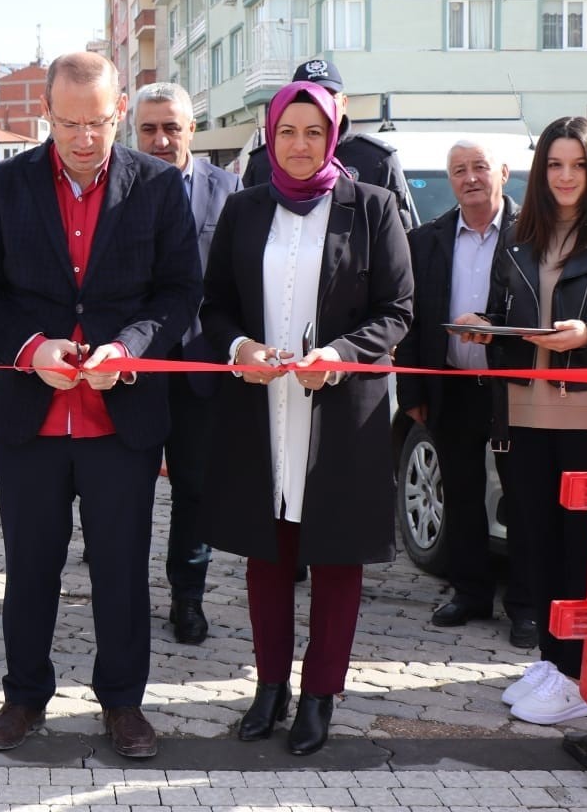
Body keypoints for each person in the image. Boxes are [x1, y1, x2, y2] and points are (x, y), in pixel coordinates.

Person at [0, 52, 201, 760]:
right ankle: (23, 696)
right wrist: (29, 346)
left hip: (120, 418)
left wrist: (128, 346)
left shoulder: (157, 185)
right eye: (69, 123)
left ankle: (123, 703)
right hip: (30, 417)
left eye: (97, 122)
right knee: (31, 564)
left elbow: (181, 292)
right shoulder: (3, 187)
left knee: (121, 570)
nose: (84, 137)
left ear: (118, 112)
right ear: (48, 116)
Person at [201, 80, 412, 757]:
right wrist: (239, 347)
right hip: (261, 404)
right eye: (287, 132)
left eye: (313, 132)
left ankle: (320, 695)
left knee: (335, 557)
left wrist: (340, 354)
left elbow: (398, 309)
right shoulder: (243, 209)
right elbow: (216, 305)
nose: (299, 145)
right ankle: (270, 688)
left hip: (341, 409)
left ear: (333, 136)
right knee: (268, 555)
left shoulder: (372, 207)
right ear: (269, 136)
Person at [455, 116, 587, 725]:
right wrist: (484, 327)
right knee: (532, 541)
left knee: (578, 547)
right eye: (555, 165)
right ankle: (550, 657)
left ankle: (575, 673)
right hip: (520, 412)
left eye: (578, 165)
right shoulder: (519, 237)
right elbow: (509, 315)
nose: (566, 176)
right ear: (541, 171)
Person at [396, 139, 535, 648]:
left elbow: (535, 313)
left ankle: (525, 606)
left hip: (513, 392)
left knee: (522, 500)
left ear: (502, 171)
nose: (470, 178)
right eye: (459, 170)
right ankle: (470, 592)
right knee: (459, 495)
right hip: (450, 388)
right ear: (449, 179)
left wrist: (494, 326)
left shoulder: (533, 236)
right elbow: (408, 320)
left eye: (480, 167)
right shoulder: (426, 239)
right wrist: (410, 389)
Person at [130, 82, 241, 645]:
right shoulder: (119, 186)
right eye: (149, 128)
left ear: (191, 130)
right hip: (132, 369)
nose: (160, 139)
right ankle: (123, 595)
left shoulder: (230, 190)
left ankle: (187, 598)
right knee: (125, 489)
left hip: (201, 367)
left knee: (194, 489)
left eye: (171, 127)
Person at [242, 59, 413, 229]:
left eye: (328, 95)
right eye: (310, 97)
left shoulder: (377, 159)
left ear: (344, 103)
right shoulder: (263, 162)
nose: (319, 103)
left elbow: (399, 232)